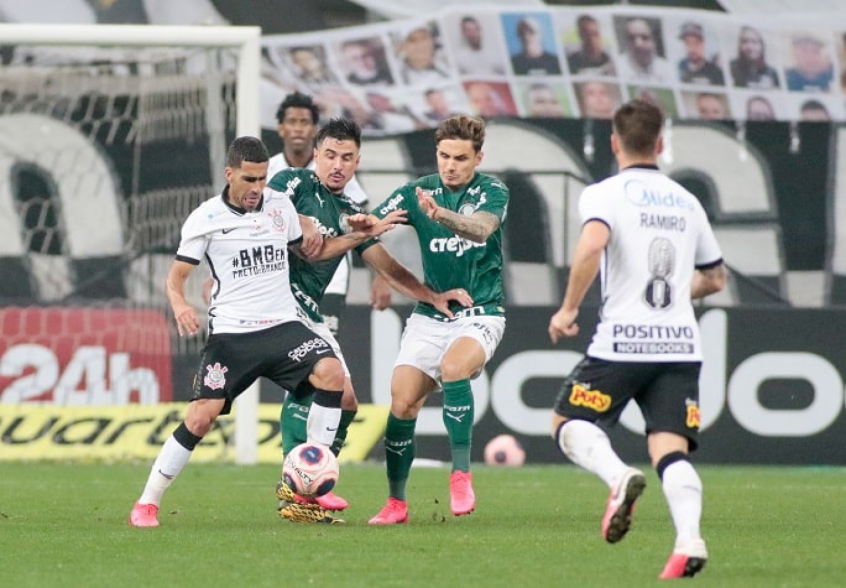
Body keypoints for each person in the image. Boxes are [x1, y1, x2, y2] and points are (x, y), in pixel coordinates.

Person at [127, 136, 399, 528]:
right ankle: (147, 502)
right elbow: (176, 277)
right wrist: (181, 304)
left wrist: (361, 236)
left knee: (332, 375)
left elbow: (313, 252)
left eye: (262, 178)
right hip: (232, 337)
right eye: (249, 179)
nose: (258, 188)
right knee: (200, 418)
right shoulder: (206, 218)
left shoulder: (279, 205)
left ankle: (310, 481)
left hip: (282, 327)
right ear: (230, 174)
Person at [548, 99, 727, 579]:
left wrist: (568, 309)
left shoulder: (604, 194)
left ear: (614, 142)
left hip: (622, 342)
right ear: (660, 143)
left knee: (568, 420)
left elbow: (592, 243)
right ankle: (689, 541)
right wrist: (675, 295)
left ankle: (618, 476)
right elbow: (715, 278)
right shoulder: (687, 201)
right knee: (670, 450)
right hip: (680, 346)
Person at [268, 118, 472, 522]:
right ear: (315, 156)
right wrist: (301, 221)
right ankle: (297, 487)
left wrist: (431, 296)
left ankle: (310, 482)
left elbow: (388, 267)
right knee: (312, 383)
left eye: (346, 157)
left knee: (345, 401)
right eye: (330, 155)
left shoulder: (350, 213)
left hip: (307, 311)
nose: (337, 165)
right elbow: (267, 213)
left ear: (357, 162)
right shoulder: (293, 182)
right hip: (273, 303)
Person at [363, 115, 510, 525]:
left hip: (481, 311)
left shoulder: (493, 190)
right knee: (402, 401)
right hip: (433, 313)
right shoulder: (418, 190)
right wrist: (384, 272)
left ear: (478, 158)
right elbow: (371, 230)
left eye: (460, 158)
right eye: (444, 156)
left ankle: (461, 475)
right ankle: (396, 503)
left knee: (454, 367)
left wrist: (440, 214)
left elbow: (481, 230)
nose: (450, 165)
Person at [616, 17, 673, 83]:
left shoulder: (668, 69)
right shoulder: (617, 67)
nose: (638, 44)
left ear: (655, 41)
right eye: (631, 38)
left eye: (644, 37)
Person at [677, 22, 724, 86]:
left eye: (696, 43)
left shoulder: (716, 73)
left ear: (703, 44)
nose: (692, 48)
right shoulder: (679, 68)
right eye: (687, 43)